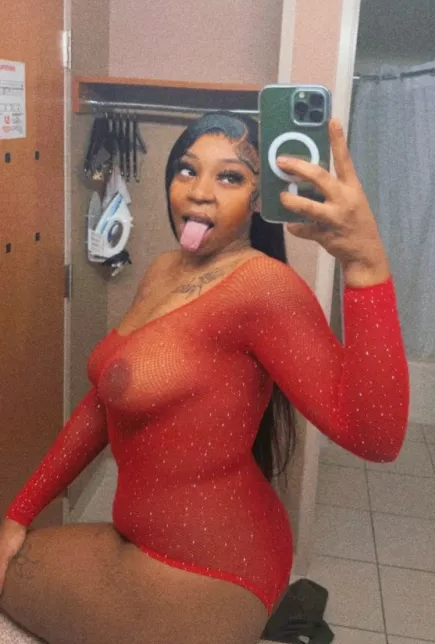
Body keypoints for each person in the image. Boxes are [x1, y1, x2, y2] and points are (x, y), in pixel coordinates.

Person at [0, 112, 409, 644]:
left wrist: (366, 266)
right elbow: (104, 403)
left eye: (230, 177)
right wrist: (20, 512)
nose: (199, 192)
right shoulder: (163, 269)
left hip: (217, 565)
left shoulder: (264, 285)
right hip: (140, 540)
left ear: (259, 199)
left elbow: (377, 436)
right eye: (187, 170)